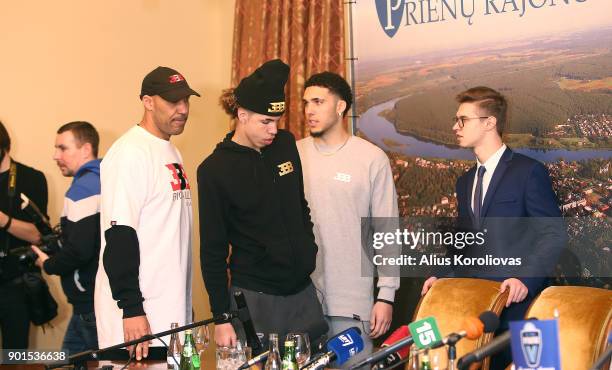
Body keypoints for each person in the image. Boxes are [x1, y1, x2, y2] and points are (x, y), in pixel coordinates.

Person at [421, 86, 564, 370]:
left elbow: (553, 233)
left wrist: (525, 279)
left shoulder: (528, 171)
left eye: (463, 120)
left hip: (525, 311)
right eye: (456, 119)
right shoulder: (464, 183)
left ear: (490, 123)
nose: (455, 126)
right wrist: (443, 277)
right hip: (481, 314)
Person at [198, 59, 327, 348]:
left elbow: (299, 204)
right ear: (242, 115)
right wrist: (221, 317)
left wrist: (309, 248)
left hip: (302, 292)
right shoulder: (214, 170)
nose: (273, 130)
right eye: (265, 122)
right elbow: (212, 250)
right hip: (255, 296)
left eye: (277, 122)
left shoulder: (285, 144)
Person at [94, 67, 199, 360]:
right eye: (172, 101)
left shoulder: (169, 150)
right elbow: (119, 235)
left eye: (186, 101)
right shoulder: (130, 153)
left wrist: (184, 302)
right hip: (139, 316)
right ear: (148, 101)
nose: (182, 109)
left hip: (169, 309)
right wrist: (131, 308)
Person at [297, 72, 400, 361]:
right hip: (301, 302)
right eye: (306, 103)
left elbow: (387, 231)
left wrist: (386, 296)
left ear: (340, 107)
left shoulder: (371, 158)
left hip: (352, 302)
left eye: (318, 101)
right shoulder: (293, 154)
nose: (309, 110)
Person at [31, 121, 101, 353]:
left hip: (89, 304)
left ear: (85, 149)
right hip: (94, 301)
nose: (55, 155)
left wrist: (48, 263)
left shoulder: (82, 190)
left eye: (62, 148)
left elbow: (79, 251)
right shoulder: (104, 180)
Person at [0, 121, 48, 349]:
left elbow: (39, 236)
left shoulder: (32, 178)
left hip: (16, 283)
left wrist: (3, 220)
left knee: (14, 355)